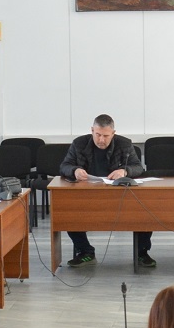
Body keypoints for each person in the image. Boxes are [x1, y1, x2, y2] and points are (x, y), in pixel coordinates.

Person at [58, 114, 150, 268]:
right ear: (92, 130)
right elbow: (64, 166)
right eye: (98, 135)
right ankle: (85, 252)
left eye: (106, 136)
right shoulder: (79, 143)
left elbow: (138, 167)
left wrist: (124, 171)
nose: (101, 140)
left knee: (145, 209)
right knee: (69, 211)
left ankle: (142, 252)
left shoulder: (124, 144)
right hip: (87, 194)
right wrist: (75, 170)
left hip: (118, 194)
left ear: (113, 133)